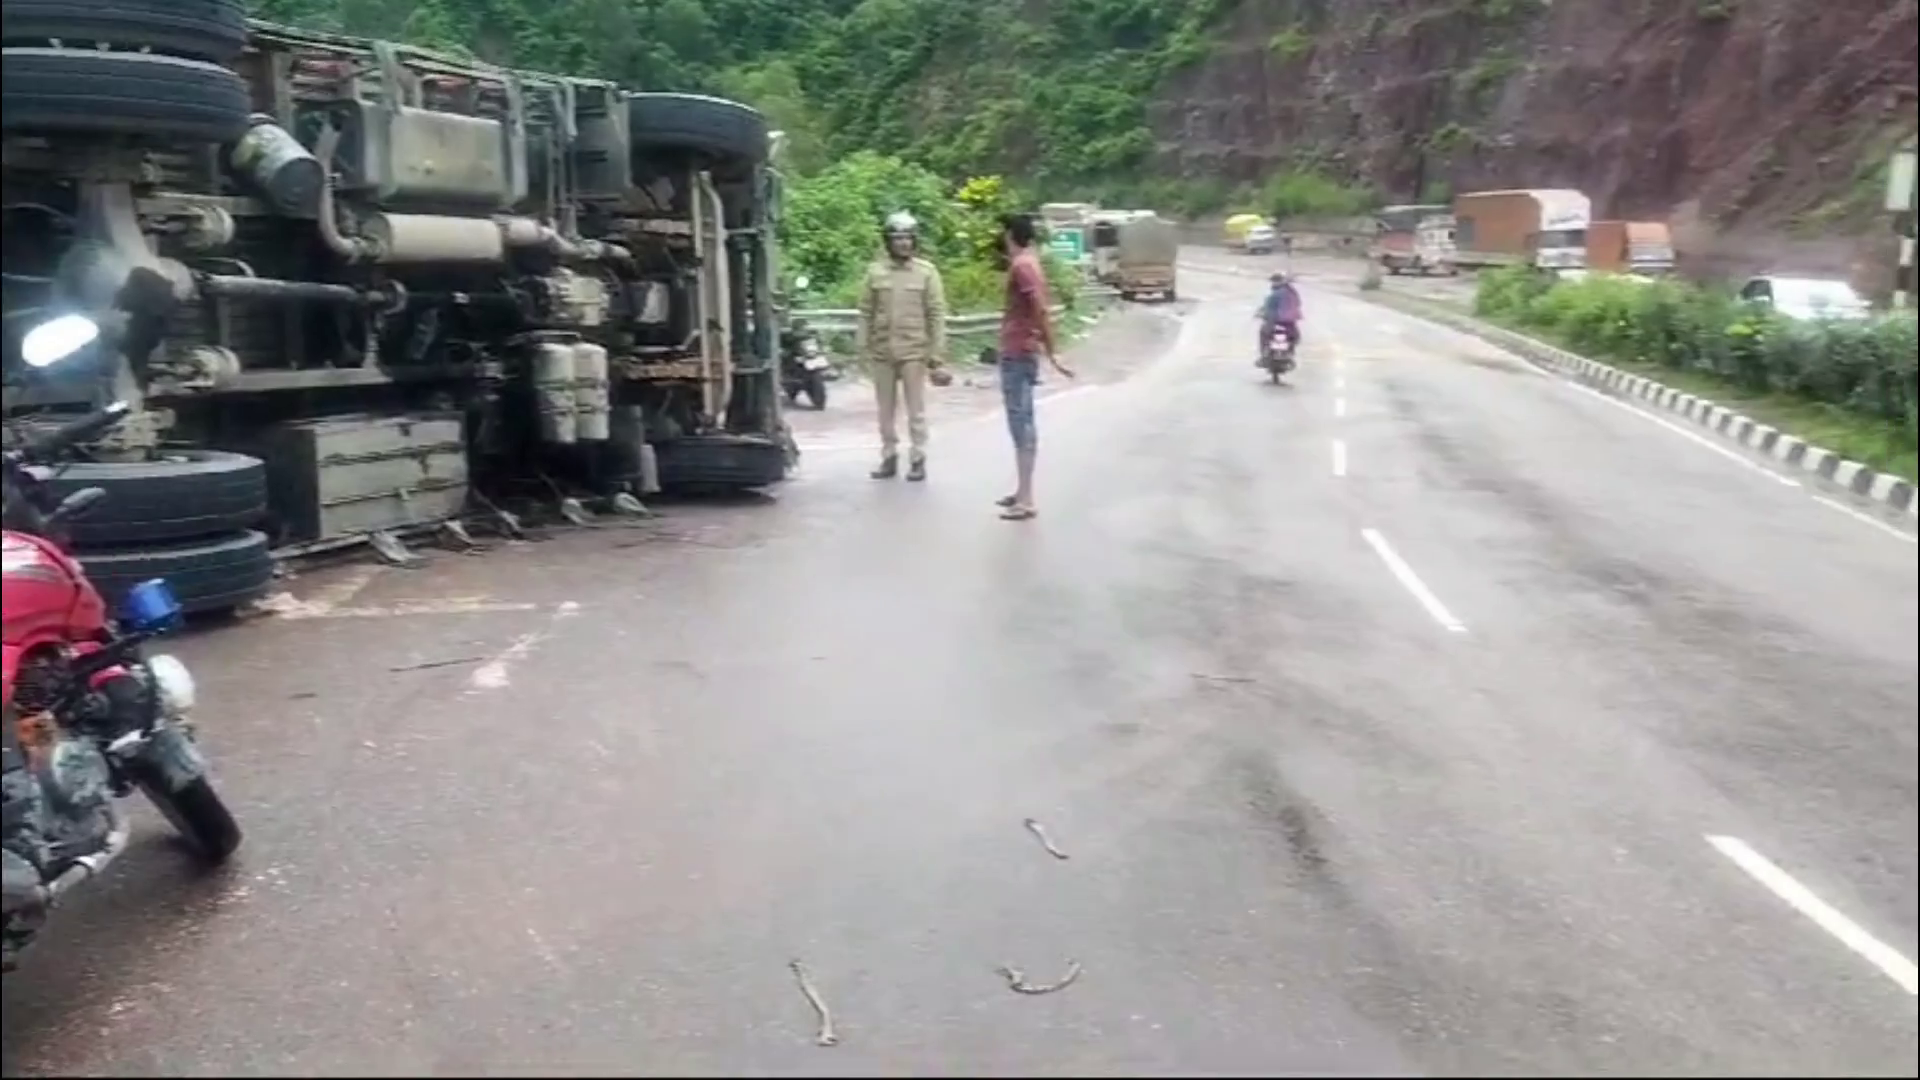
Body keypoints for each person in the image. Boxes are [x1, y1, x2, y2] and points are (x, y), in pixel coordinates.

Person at [856, 210, 949, 481]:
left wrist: (936, 352)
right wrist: (862, 347)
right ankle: (889, 456)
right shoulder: (875, 272)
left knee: (915, 410)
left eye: (908, 238)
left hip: (914, 351)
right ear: (888, 242)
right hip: (882, 350)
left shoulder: (926, 272)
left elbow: (936, 313)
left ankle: (918, 458)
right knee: (885, 409)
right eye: (898, 239)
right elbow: (865, 312)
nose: (904, 244)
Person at [994, 213, 1074, 521]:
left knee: (1020, 422)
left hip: (1018, 351)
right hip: (1023, 349)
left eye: (1004, 233)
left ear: (1011, 235)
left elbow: (1039, 308)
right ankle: (1021, 490)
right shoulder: (1032, 262)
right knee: (1022, 420)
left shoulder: (1022, 266)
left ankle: (1026, 498)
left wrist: (1054, 352)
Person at [1256, 270, 1303, 365]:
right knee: (1295, 337)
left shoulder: (1275, 295)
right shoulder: (1291, 293)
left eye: (1275, 281)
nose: (1274, 283)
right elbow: (1297, 304)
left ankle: (1264, 354)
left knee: (1264, 334)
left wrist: (1260, 314)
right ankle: (1289, 353)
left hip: (1275, 322)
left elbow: (1267, 307)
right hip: (1289, 322)